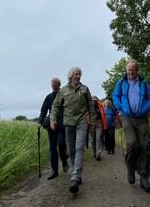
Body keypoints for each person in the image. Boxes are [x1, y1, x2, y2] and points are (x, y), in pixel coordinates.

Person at [50, 66, 96, 194]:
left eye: (80, 74)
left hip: (81, 122)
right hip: (68, 123)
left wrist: (92, 123)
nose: (79, 76)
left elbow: (91, 107)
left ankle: (75, 177)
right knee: (71, 150)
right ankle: (77, 174)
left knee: (80, 147)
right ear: (71, 76)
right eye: (76, 74)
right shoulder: (63, 91)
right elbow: (55, 106)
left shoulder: (85, 89)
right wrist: (52, 120)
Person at [112, 59, 150, 193]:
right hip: (127, 118)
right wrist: (122, 108)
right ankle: (130, 168)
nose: (130, 72)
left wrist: (144, 109)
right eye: (129, 70)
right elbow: (115, 97)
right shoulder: (121, 83)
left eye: (133, 70)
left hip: (142, 119)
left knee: (145, 146)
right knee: (132, 143)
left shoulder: (144, 83)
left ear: (137, 70)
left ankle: (144, 177)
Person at [38, 77, 69, 180]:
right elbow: (43, 111)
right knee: (52, 148)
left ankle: (64, 161)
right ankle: (54, 170)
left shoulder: (64, 96)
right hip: (51, 125)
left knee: (60, 144)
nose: (54, 88)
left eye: (55, 86)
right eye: (52, 86)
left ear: (59, 86)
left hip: (62, 125)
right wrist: (39, 121)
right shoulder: (48, 97)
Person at [90, 95, 107, 161]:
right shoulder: (89, 106)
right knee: (93, 139)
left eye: (95, 100)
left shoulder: (100, 105)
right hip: (91, 123)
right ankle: (94, 152)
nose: (94, 101)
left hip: (99, 122)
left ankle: (98, 154)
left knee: (99, 138)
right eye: (93, 100)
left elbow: (103, 115)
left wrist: (104, 124)